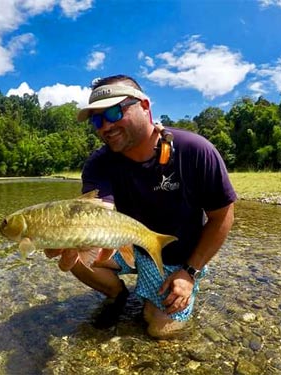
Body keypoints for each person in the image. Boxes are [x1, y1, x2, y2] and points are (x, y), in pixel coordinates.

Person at [45, 75, 236, 339]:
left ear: (145, 106)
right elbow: (101, 214)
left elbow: (222, 215)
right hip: (129, 246)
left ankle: (171, 286)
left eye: (113, 112)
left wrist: (189, 272)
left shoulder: (194, 151)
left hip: (177, 258)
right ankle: (117, 294)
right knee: (76, 255)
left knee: (158, 328)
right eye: (97, 120)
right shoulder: (99, 164)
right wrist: (70, 238)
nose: (105, 126)